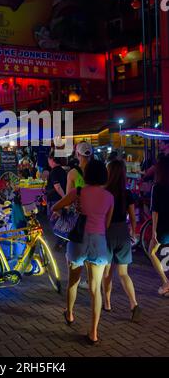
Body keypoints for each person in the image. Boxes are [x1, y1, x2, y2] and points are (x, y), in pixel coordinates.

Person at [53, 160, 114, 345]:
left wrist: (71, 210)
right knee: (96, 289)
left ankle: (70, 314)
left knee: (73, 282)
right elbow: (107, 224)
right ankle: (94, 333)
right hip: (99, 243)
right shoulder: (109, 197)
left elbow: (56, 207)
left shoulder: (77, 192)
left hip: (79, 240)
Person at [103, 160, 142, 321]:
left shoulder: (105, 192)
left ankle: (107, 303)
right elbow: (132, 217)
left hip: (107, 232)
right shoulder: (127, 193)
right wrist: (133, 231)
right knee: (123, 273)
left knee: (107, 272)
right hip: (123, 232)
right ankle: (133, 303)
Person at [66, 142, 93, 289]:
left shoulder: (72, 173)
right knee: (90, 251)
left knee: (73, 254)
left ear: (77, 154)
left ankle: (74, 282)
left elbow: (68, 197)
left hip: (78, 217)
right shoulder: (99, 171)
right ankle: (91, 281)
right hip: (95, 216)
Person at [149, 156, 169, 296]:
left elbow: (155, 211)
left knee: (152, 251)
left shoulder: (157, 187)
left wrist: (154, 231)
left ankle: (166, 282)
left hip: (163, 224)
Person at [46, 150, 67, 249]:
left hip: (55, 201)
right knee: (60, 220)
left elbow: (57, 186)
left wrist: (64, 198)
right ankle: (62, 239)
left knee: (54, 220)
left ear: (52, 160)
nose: (48, 162)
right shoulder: (62, 170)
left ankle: (60, 241)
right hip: (60, 200)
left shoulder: (54, 171)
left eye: (49, 159)